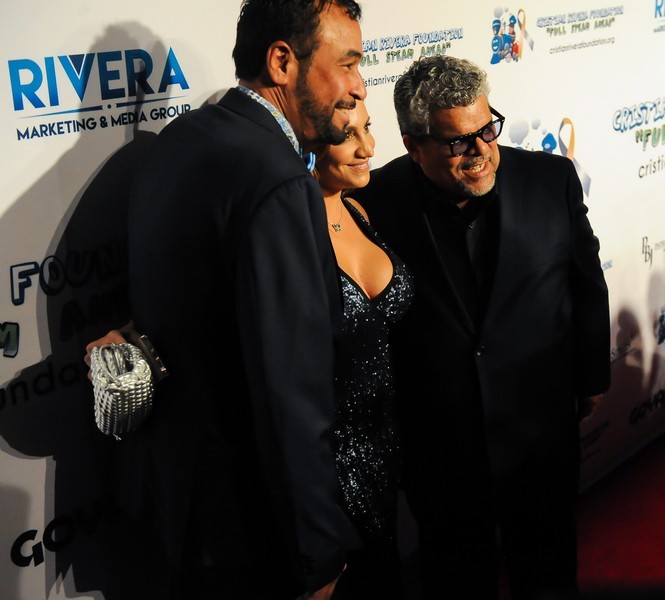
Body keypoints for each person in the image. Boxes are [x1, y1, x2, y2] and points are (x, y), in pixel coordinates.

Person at [90, 2, 368, 599]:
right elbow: (291, 389)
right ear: (282, 62)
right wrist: (317, 553)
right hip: (248, 532)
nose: (359, 86)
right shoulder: (277, 179)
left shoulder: (183, 138)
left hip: (180, 511)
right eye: (347, 64)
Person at [355, 55, 611, 600]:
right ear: (412, 144)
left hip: (539, 432)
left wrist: (592, 376)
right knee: (456, 578)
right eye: (457, 142)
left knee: (547, 575)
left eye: (487, 129)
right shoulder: (373, 201)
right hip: (440, 444)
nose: (481, 151)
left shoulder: (551, 180)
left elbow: (585, 281)